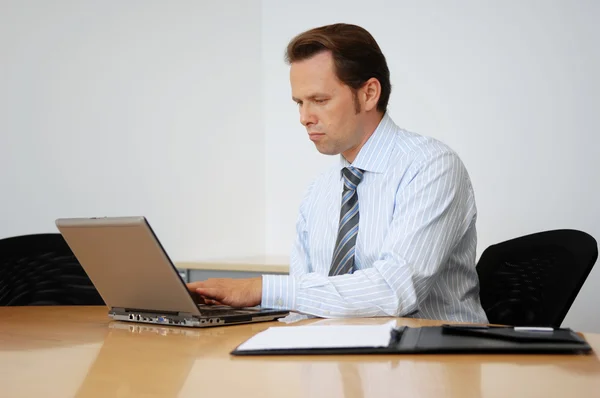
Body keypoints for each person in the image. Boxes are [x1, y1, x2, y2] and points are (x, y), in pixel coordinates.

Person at [187, 23, 488, 323]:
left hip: (434, 358)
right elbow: (305, 302)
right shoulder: (319, 191)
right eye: (299, 103)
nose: (305, 118)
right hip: (340, 358)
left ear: (369, 94)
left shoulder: (431, 167)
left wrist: (263, 289)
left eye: (319, 100)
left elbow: (394, 291)